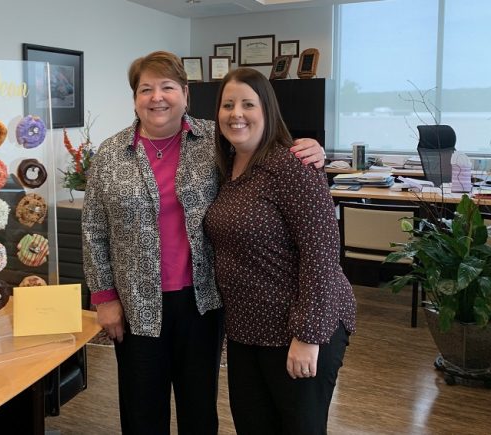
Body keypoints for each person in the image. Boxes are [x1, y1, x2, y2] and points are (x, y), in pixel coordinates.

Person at [81, 51, 326, 435]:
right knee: (142, 407)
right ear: (134, 98)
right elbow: (94, 230)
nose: (157, 97)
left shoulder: (216, 139)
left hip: (203, 301)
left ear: (185, 93)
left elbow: (264, 150)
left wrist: (308, 150)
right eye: (146, 89)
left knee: (198, 407)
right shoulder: (110, 154)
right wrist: (104, 298)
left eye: (167, 87)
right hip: (135, 303)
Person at [203, 67, 356, 435]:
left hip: (296, 328)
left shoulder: (292, 165)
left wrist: (308, 336)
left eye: (247, 104)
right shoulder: (226, 166)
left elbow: (321, 254)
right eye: (227, 105)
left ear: (267, 110)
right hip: (246, 329)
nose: (236, 113)